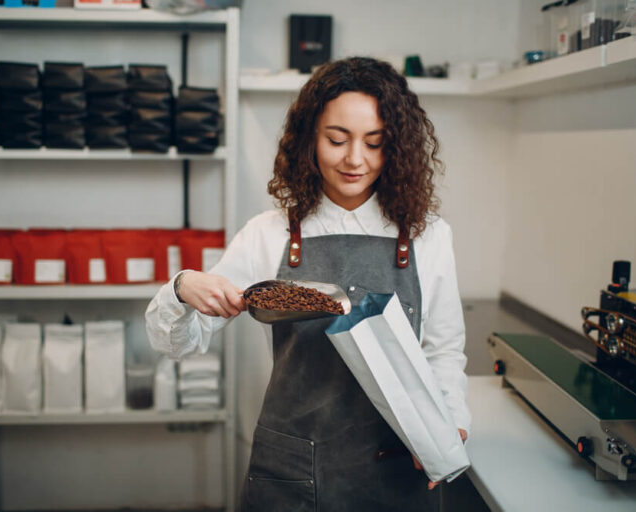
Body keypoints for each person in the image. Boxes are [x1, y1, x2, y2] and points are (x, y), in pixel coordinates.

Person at [145, 56, 470, 511]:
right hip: (293, 470)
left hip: (399, 463)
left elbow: (443, 349)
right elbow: (177, 343)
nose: (355, 159)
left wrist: (448, 421)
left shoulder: (427, 235)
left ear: (395, 147)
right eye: (337, 139)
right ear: (309, 139)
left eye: (375, 143)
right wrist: (181, 290)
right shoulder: (269, 233)